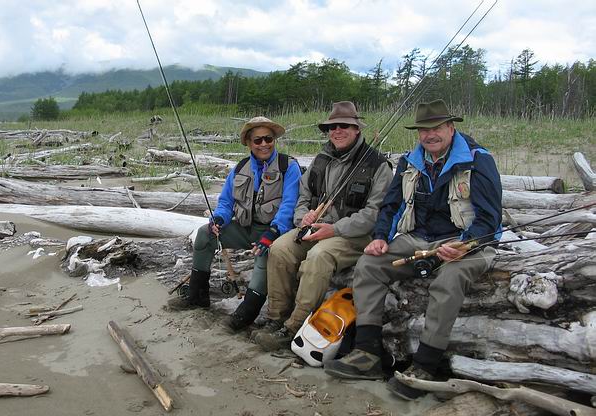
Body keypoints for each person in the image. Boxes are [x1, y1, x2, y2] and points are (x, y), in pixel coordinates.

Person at [326, 99, 502, 401]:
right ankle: (367, 353)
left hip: (469, 241)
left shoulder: (478, 160)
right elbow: (391, 205)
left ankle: (425, 366)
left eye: (436, 128)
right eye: (423, 130)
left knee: (449, 279)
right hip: (418, 238)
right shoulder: (410, 161)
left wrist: (464, 244)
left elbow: (490, 219)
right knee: (369, 264)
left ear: (451, 128)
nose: (429, 135)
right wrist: (380, 237)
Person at [252, 101, 393, 351]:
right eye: (332, 127)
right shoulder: (321, 159)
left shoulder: (378, 165)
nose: (337, 131)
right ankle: (276, 317)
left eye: (344, 126)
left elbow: (374, 213)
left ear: (357, 129)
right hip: (315, 228)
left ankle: (294, 326)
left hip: (353, 235)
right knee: (280, 249)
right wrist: (303, 217)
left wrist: (335, 229)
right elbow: (303, 196)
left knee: (318, 256)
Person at [166, 116, 302, 333]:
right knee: (204, 234)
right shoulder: (239, 168)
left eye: (268, 139)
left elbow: (289, 205)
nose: (264, 144)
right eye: (258, 140)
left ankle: (245, 314)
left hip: (274, 232)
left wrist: (273, 233)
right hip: (246, 228)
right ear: (248, 142)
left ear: (274, 140)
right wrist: (219, 219)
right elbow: (226, 202)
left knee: (264, 256)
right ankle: (197, 296)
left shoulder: (289, 167)